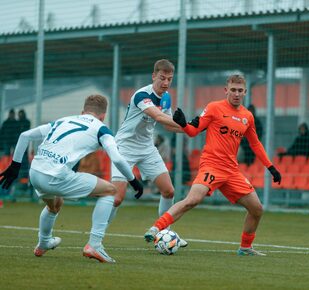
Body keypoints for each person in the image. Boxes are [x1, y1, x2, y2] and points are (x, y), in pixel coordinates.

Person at [144, 74, 282, 256]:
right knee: (192, 200)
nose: (236, 94)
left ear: (245, 92)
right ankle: (155, 229)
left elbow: (255, 144)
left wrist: (270, 167)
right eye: (233, 90)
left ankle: (245, 248)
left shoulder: (247, 116)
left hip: (232, 171)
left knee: (257, 209)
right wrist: (183, 124)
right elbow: (193, 132)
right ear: (226, 90)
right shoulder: (214, 108)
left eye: (240, 90)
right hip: (211, 166)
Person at [0, 95, 143, 263]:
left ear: (82, 112)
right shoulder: (102, 129)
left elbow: (25, 136)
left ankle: (44, 243)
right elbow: (117, 159)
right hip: (55, 175)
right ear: (103, 116)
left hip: (36, 172)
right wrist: (133, 180)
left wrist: (15, 166)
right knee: (110, 191)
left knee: (55, 205)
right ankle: (95, 245)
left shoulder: (63, 120)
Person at [111, 59, 192, 247]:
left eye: (169, 79)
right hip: (124, 147)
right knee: (117, 198)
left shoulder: (166, 97)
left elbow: (170, 126)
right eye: (162, 78)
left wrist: (195, 128)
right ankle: (96, 238)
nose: (165, 83)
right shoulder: (142, 95)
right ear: (153, 75)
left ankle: (164, 232)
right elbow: (159, 117)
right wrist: (186, 124)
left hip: (147, 148)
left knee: (169, 190)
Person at [17, 109, 31, 180]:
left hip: (25, 143)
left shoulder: (26, 122)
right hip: (17, 143)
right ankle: (20, 175)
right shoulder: (17, 122)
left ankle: (24, 176)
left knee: (24, 157)